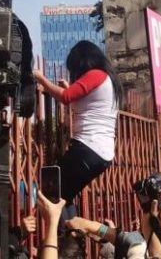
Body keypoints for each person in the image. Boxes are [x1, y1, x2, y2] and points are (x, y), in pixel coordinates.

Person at [33, 40, 122, 208]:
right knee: (64, 197)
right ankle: (71, 232)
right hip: (100, 152)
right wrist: (69, 87)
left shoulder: (96, 74)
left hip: (88, 148)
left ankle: (58, 233)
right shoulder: (107, 79)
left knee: (52, 195)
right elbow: (80, 102)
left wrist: (41, 78)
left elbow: (66, 97)